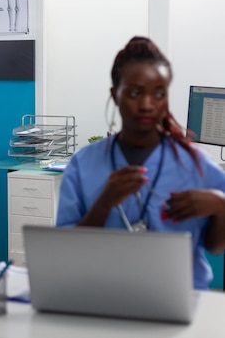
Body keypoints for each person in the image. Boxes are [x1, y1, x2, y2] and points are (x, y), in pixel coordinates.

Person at [56, 36, 225, 290]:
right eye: (135, 93)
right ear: (115, 95)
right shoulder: (84, 164)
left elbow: (215, 246)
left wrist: (221, 206)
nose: (147, 105)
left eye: (158, 94)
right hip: (102, 295)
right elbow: (67, 253)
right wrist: (104, 203)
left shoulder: (195, 163)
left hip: (179, 300)